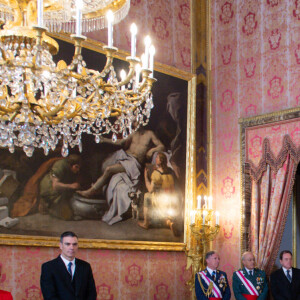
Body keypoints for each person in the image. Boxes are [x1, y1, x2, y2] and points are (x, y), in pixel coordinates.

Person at [78, 127, 165, 225]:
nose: (135, 123)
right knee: (104, 164)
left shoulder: (150, 133)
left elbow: (161, 146)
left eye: (137, 121)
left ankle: (91, 191)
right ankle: (96, 188)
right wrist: (104, 139)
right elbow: (120, 142)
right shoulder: (134, 132)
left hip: (134, 163)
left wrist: (152, 150)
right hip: (124, 156)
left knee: (109, 169)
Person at [40, 231, 97, 300]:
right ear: (60, 246)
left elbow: (92, 293)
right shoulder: (48, 267)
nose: (72, 247)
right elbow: (49, 296)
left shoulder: (85, 266)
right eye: (67, 244)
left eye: (74, 244)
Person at [138, 152, 180, 236]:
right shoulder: (170, 171)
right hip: (171, 199)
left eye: (157, 158)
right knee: (166, 219)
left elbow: (150, 189)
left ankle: (146, 223)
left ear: (160, 161)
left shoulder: (156, 174)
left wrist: (145, 176)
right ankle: (170, 223)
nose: (155, 159)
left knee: (147, 196)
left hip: (160, 200)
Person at [39, 155, 82, 220]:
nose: (78, 170)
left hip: (61, 190)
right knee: (68, 216)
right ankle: (47, 204)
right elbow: (55, 186)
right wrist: (71, 186)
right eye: (76, 167)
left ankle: (51, 205)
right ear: (71, 164)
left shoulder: (70, 168)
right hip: (50, 188)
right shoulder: (60, 165)